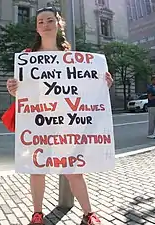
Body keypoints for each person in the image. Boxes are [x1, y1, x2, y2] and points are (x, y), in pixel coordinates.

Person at [6, 7, 113, 225]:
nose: (45, 25)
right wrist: (13, 88)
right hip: (37, 121)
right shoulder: (28, 57)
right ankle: (37, 214)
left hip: (65, 123)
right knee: (37, 168)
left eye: (49, 20)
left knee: (73, 169)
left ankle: (89, 213)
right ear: (36, 27)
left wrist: (103, 86)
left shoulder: (72, 59)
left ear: (58, 24)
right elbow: (24, 91)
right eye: (40, 22)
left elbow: (84, 90)